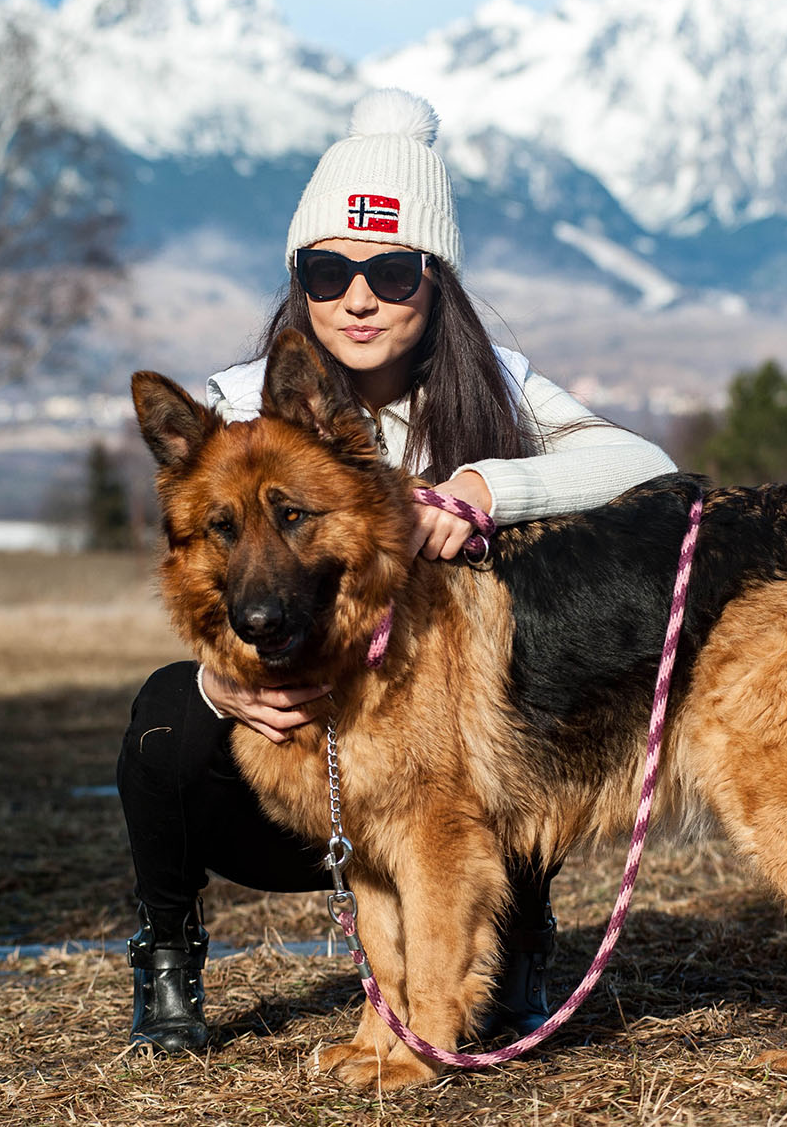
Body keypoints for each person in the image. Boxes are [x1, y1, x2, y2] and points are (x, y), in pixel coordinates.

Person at [116, 88, 677, 1052]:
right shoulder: (236, 410)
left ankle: (510, 942)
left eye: (392, 270)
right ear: (300, 281)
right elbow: (206, 580)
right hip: (295, 768)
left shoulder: (496, 385)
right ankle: (167, 956)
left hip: (452, 752)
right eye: (330, 271)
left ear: (436, 280)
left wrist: (481, 488)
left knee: (514, 675)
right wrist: (221, 686)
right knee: (166, 714)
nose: (360, 297)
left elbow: (647, 468)